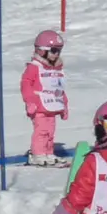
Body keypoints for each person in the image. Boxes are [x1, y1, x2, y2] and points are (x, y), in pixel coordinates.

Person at [20, 30, 69, 167]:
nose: (56, 54)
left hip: (52, 106)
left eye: (59, 51)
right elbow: (25, 84)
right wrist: (29, 101)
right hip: (39, 106)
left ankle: (48, 152)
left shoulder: (56, 69)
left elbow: (59, 88)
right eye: (53, 50)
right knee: (41, 130)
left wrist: (64, 105)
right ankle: (38, 154)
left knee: (50, 131)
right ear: (42, 51)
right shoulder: (35, 68)